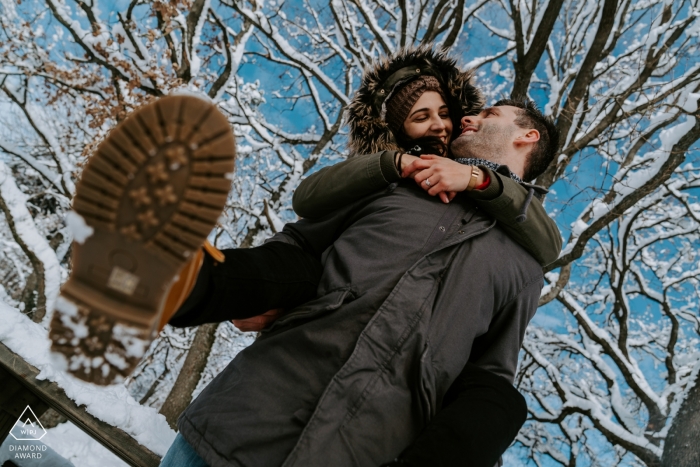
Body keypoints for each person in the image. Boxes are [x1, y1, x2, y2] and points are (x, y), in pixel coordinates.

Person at [51, 46, 560, 466]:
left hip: (359, 451)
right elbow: (298, 247)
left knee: (499, 404)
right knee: (282, 263)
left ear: (527, 135)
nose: (468, 117)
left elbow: (490, 372)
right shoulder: (396, 185)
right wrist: (238, 290)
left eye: (490, 114)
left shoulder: (522, 264)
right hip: (245, 421)